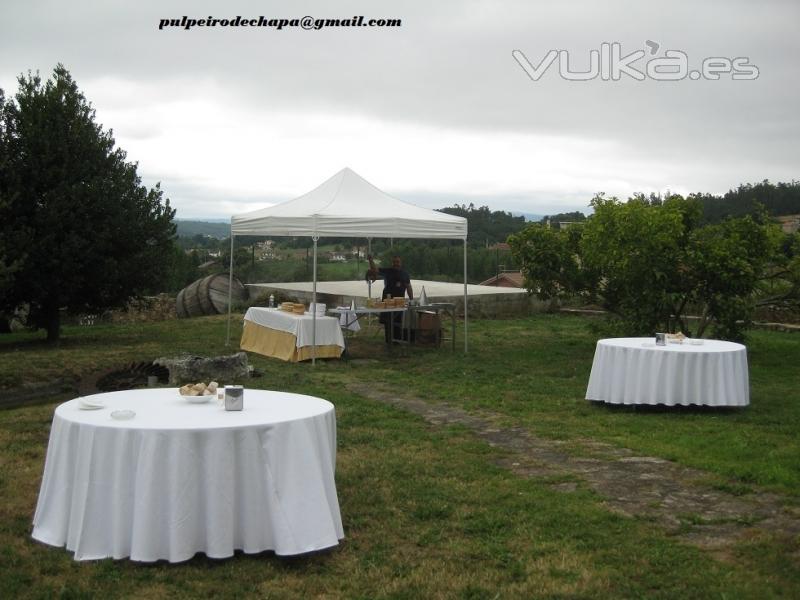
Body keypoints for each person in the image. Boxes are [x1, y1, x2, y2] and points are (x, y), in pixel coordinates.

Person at [368, 254, 414, 343]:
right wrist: (371, 260)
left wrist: (411, 300)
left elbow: (409, 287)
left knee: (398, 321)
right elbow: (375, 270)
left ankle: (397, 340)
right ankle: (389, 341)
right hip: (387, 302)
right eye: (394, 262)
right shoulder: (387, 271)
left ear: (401, 263)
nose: (396, 264)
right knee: (388, 322)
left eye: (397, 262)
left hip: (399, 302)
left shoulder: (405, 274)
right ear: (392, 263)